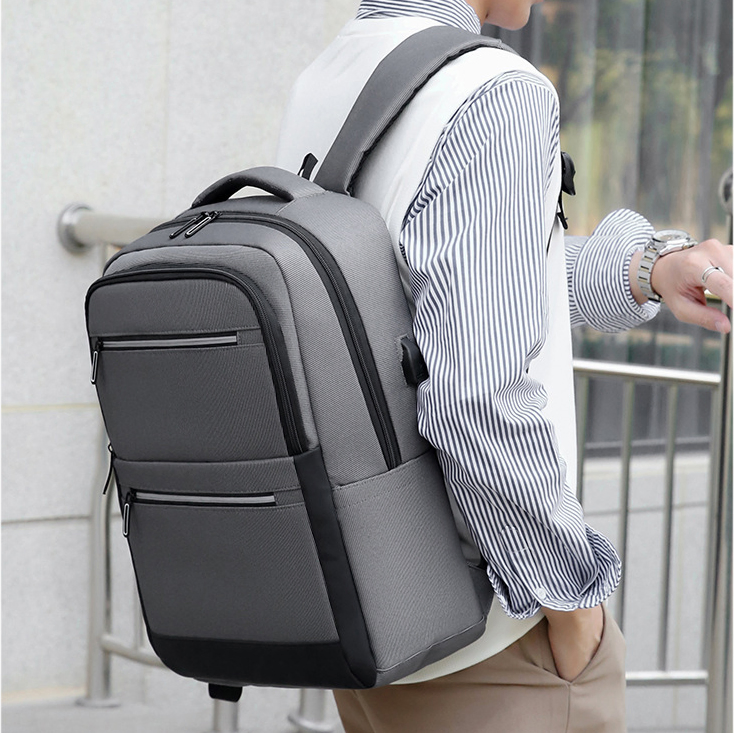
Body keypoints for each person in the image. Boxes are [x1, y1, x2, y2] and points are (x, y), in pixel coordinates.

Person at [276, 0, 734, 730]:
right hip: (491, 638)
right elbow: (475, 395)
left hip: (376, 610)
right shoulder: (491, 90)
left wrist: (647, 266)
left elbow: (426, 289)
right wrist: (572, 606)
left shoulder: (338, 69)